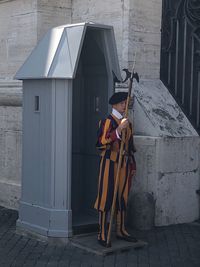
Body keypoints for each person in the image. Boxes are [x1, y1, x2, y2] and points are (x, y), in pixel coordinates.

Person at [94, 91, 137, 247]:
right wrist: (118, 130)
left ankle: (121, 230)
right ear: (115, 105)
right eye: (122, 103)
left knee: (122, 197)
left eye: (126, 103)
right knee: (106, 197)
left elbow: (130, 147)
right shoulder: (107, 121)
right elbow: (101, 142)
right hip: (109, 163)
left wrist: (133, 164)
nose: (125, 106)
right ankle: (102, 233)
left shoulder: (128, 123)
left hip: (124, 164)